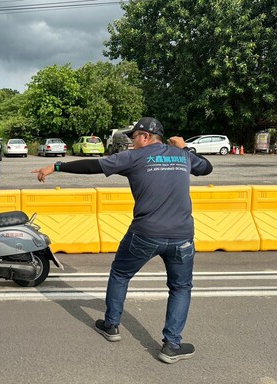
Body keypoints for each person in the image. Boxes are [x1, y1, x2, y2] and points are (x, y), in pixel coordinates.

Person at [32, 117, 213, 364]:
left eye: (133, 136)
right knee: (180, 287)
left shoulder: (134, 158)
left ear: (146, 137)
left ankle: (111, 325)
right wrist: (184, 148)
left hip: (145, 233)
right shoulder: (181, 155)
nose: (130, 141)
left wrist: (57, 166)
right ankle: (172, 345)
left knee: (120, 273)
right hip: (182, 236)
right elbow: (206, 168)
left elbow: (94, 166)